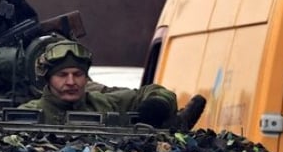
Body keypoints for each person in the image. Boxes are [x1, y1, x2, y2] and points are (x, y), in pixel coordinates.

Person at [18, 39, 186, 127]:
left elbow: (155, 91)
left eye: (78, 74)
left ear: (86, 78)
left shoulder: (105, 104)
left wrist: (157, 105)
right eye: (62, 75)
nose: (71, 82)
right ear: (48, 79)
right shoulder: (27, 114)